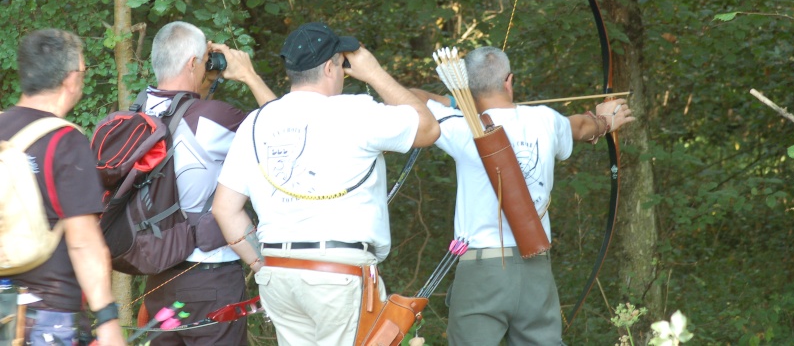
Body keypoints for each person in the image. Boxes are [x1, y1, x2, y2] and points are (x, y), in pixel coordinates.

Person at [212, 21, 440, 346]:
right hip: (338, 277)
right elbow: (428, 128)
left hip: (278, 275)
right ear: (332, 67)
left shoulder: (257, 121)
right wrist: (374, 73)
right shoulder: (355, 110)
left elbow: (224, 210)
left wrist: (261, 263)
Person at [410, 46, 635, 346]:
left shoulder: (461, 126)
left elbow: (411, 97)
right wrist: (605, 121)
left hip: (482, 271)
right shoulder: (545, 119)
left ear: (468, 88)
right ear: (509, 81)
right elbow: (581, 126)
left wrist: (455, 101)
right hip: (535, 268)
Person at [141, 21, 276, 346]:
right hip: (210, 281)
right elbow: (283, 130)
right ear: (192, 64)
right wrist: (248, 75)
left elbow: (181, 111)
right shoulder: (216, 117)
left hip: (157, 280)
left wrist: (202, 80)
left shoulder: (135, 116)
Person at [0, 29, 125, 346]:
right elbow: (84, 242)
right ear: (71, 79)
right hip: (50, 320)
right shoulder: (64, 140)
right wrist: (108, 321)